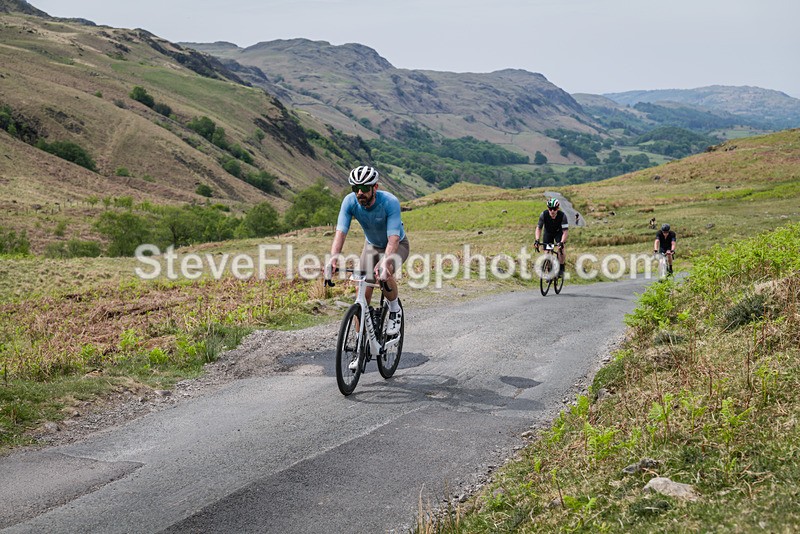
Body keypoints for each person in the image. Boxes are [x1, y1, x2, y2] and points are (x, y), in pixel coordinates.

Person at [326, 165, 410, 337]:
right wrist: (333, 259)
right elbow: (340, 233)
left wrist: (385, 260)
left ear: (375, 187)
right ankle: (359, 343)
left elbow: (393, 239)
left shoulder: (389, 202)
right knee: (361, 292)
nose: (359, 193)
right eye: (355, 188)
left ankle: (394, 310)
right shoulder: (349, 202)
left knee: (384, 273)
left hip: (397, 245)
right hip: (371, 246)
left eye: (364, 188)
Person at [534, 197, 569, 277]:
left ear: (558, 208)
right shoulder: (543, 215)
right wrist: (537, 240)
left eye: (554, 208)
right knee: (547, 253)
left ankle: (561, 267)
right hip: (548, 233)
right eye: (550, 209)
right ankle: (549, 271)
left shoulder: (563, 216)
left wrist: (562, 242)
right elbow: (539, 228)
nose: (552, 211)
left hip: (558, 233)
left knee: (561, 249)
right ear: (548, 208)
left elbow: (565, 232)